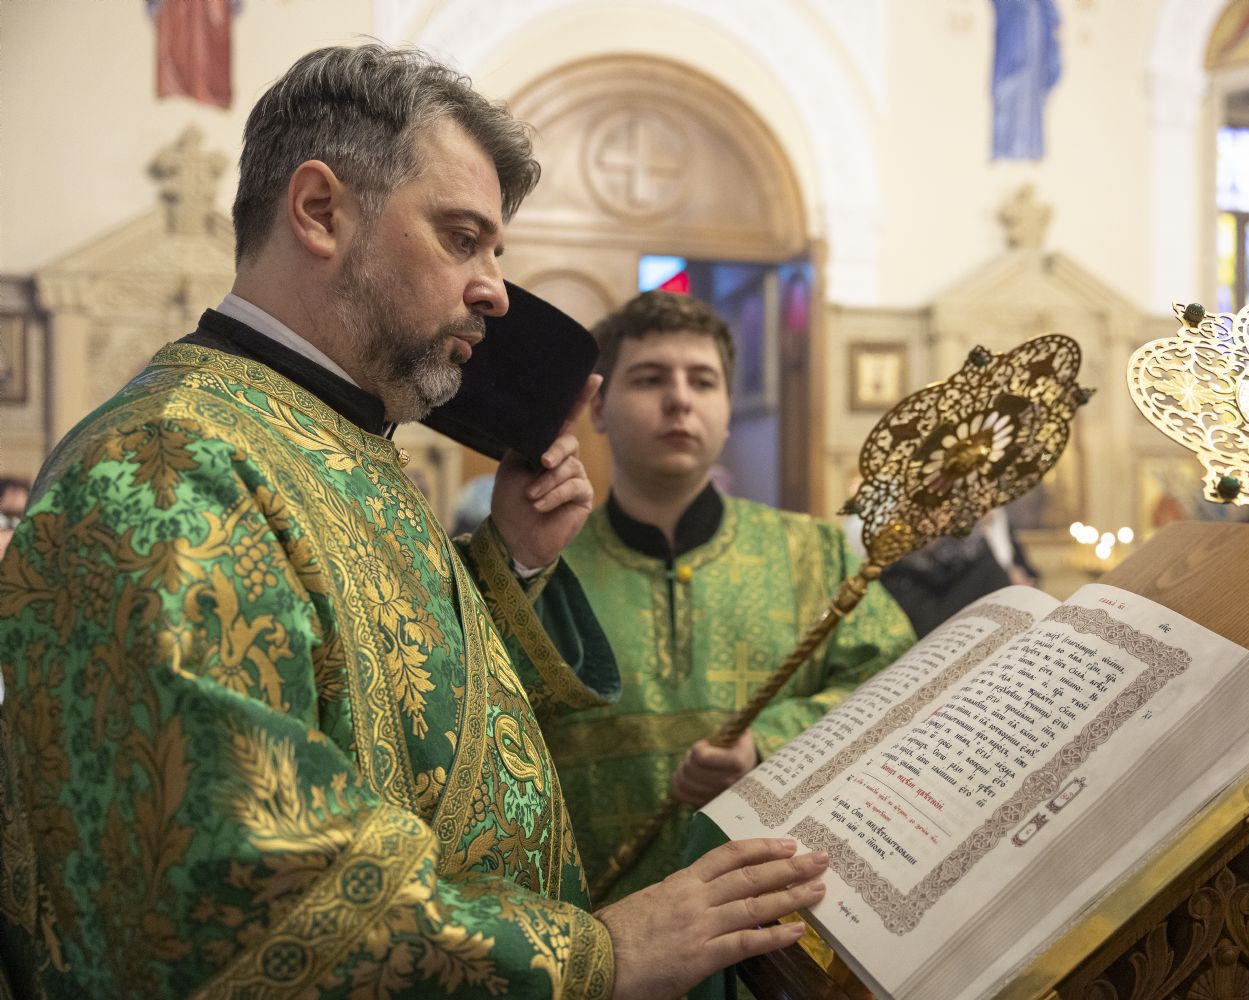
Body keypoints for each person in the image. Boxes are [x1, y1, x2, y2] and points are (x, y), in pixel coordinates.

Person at [0, 44, 828, 999]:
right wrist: (596, 959)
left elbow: (401, 716)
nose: (495, 289)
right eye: (461, 238)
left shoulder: (335, 436)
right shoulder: (167, 465)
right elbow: (238, 889)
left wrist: (508, 563)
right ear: (320, 211)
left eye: (496, 251)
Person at [495, 290, 913, 903]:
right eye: (649, 378)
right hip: (599, 921)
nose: (680, 399)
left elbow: (898, 692)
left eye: (703, 380)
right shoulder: (537, 561)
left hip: (779, 920)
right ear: (599, 408)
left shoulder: (816, 555)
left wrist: (765, 745)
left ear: (727, 409)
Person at [879, 507, 1040, 638]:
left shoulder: (976, 552)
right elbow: (928, 629)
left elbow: (1007, 612)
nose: (927, 523)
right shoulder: (896, 570)